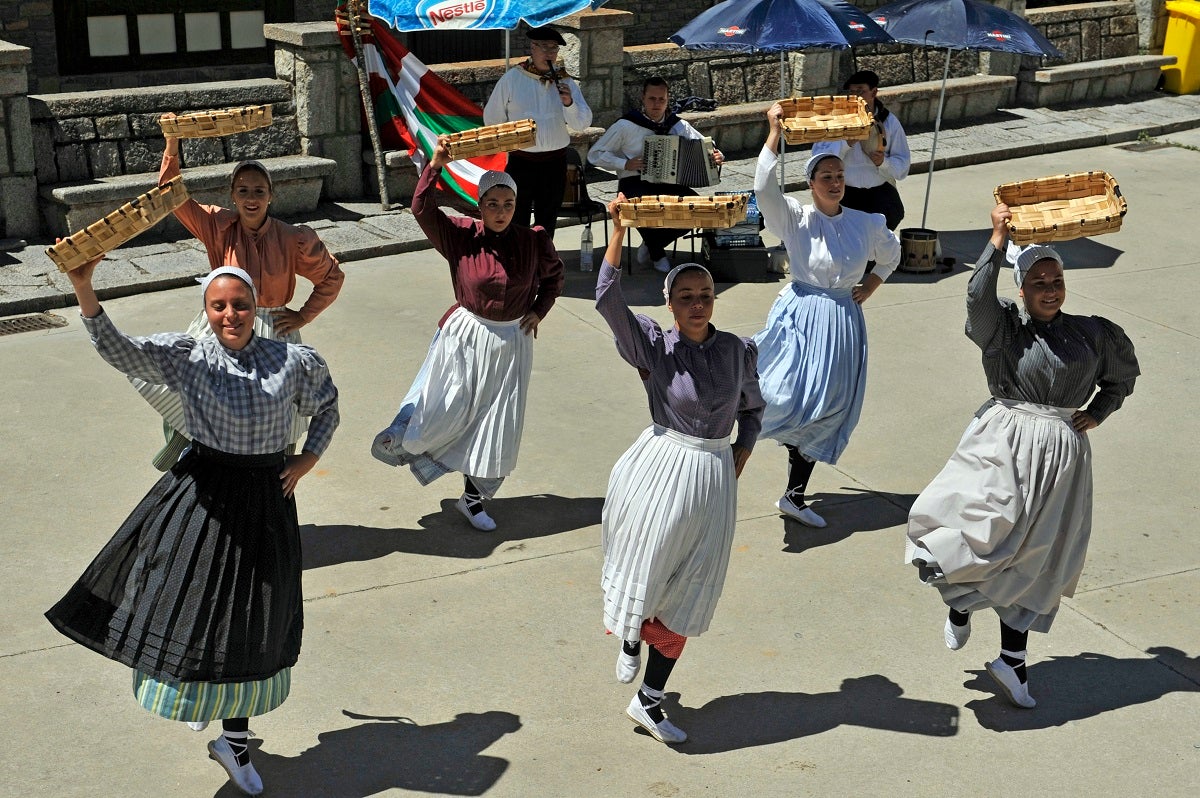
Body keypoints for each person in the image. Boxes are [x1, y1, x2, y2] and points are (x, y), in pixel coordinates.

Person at [45, 261, 340, 796]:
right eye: (218, 305)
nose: (231, 315)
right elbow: (119, 351)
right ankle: (201, 702)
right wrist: (84, 287)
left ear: (257, 308)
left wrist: (306, 460)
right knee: (192, 605)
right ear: (205, 311)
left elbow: (328, 408)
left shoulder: (292, 360)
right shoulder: (188, 357)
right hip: (203, 496)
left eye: (241, 304)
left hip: (265, 500)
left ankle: (236, 741)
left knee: (256, 619)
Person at [905, 204, 1139, 709]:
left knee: (1037, 556)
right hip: (1003, 444)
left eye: (1056, 279)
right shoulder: (1006, 330)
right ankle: (961, 606)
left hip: (1061, 457)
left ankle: (1012, 661)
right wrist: (995, 238)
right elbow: (975, 297)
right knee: (982, 536)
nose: (1050, 289)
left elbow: (1123, 376)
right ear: (1022, 289)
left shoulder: (1093, 333)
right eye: (1038, 282)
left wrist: (1098, 411)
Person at [595, 194, 764, 744]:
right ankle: (628, 634)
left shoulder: (738, 349)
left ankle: (650, 700)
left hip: (714, 478)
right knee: (650, 566)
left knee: (692, 587)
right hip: (664, 467)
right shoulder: (654, 346)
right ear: (670, 304)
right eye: (686, 297)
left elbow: (754, 407)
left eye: (706, 295)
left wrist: (744, 446)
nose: (697, 304)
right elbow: (606, 298)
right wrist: (618, 231)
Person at [371, 137, 564, 531]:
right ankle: (404, 440)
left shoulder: (533, 240)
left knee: (498, 424)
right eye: (492, 204)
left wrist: (538, 311)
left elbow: (555, 278)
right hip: (466, 336)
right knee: (447, 406)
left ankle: (473, 500)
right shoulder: (461, 236)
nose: (501, 212)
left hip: (512, 343)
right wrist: (436, 164)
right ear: (480, 205)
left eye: (508, 204)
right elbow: (421, 208)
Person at [133, 125, 345, 470]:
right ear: (232, 194)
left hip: (272, 329)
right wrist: (172, 145)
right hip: (222, 324)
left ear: (270, 196)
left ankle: (274, 485)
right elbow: (170, 196)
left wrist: (304, 315)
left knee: (280, 412)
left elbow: (332, 276)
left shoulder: (293, 238)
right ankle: (186, 458)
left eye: (259, 191)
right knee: (184, 383)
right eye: (243, 190)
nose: (251, 198)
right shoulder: (217, 226)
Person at [752, 104, 901, 529]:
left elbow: (892, 254)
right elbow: (763, 188)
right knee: (779, 393)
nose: (835, 183)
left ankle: (795, 495)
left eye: (839, 176)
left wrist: (871, 284)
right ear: (811, 183)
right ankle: (727, 453)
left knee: (827, 406)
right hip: (800, 314)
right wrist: (773, 134)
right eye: (826, 177)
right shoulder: (795, 217)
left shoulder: (866, 222)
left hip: (841, 322)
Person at [586, 76, 725, 273]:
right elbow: (595, 154)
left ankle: (652, 245)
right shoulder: (626, 125)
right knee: (644, 207)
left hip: (669, 182)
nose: (656, 104)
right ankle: (657, 253)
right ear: (643, 98)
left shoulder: (678, 126)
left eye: (661, 99)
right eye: (652, 99)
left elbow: (709, 147)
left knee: (696, 209)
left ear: (668, 100)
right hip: (633, 180)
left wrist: (717, 156)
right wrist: (625, 163)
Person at [483, 25, 592, 236]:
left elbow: (582, 123)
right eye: (544, 47)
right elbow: (492, 119)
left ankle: (543, 263)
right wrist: (512, 138)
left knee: (547, 218)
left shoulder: (565, 81)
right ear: (532, 48)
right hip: (521, 162)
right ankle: (519, 262)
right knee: (518, 217)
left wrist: (569, 103)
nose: (550, 53)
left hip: (554, 162)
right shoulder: (512, 79)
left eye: (554, 48)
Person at [811, 70, 911, 233]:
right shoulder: (836, 120)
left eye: (860, 91)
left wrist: (883, 162)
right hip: (846, 195)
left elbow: (903, 167)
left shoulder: (889, 122)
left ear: (874, 92)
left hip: (879, 192)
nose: (855, 96)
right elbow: (818, 157)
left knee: (893, 214)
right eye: (851, 92)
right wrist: (846, 143)